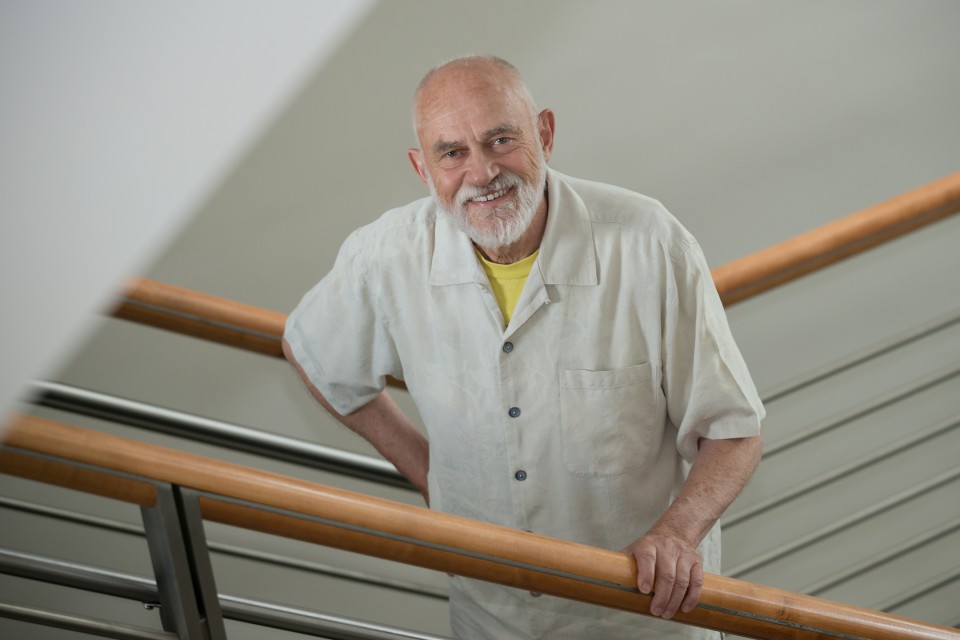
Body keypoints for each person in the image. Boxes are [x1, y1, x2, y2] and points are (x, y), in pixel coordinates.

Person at [283, 55, 764, 639]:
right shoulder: (386, 254)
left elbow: (733, 429)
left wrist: (677, 533)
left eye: (500, 139)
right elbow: (315, 353)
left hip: (640, 621)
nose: (482, 173)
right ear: (422, 168)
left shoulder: (648, 244)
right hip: (490, 617)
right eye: (452, 152)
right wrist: (427, 469)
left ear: (546, 133)